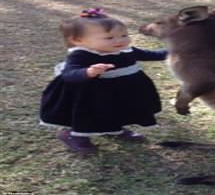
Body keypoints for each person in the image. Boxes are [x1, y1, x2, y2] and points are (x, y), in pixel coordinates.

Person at [39, 8, 167, 153]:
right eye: (109, 38)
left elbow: (152, 55)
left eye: (124, 35)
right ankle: (73, 135)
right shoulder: (80, 54)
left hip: (119, 90)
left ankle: (113, 129)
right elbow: (70, 74)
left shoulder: (126, 50)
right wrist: (88, 72)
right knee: (88, 114)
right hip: (89, 93)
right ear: (77, 40)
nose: (120, 40)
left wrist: (177, 51)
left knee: (116, 109)